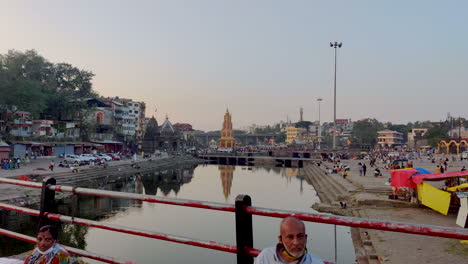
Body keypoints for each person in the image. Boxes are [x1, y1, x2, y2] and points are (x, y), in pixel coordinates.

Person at [255, 217, 324, 264]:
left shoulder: (316, 262)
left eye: (300, 236)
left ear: (305, 238)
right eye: (290, 237)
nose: (296, 242)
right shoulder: (265, 256)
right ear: (280, 239)